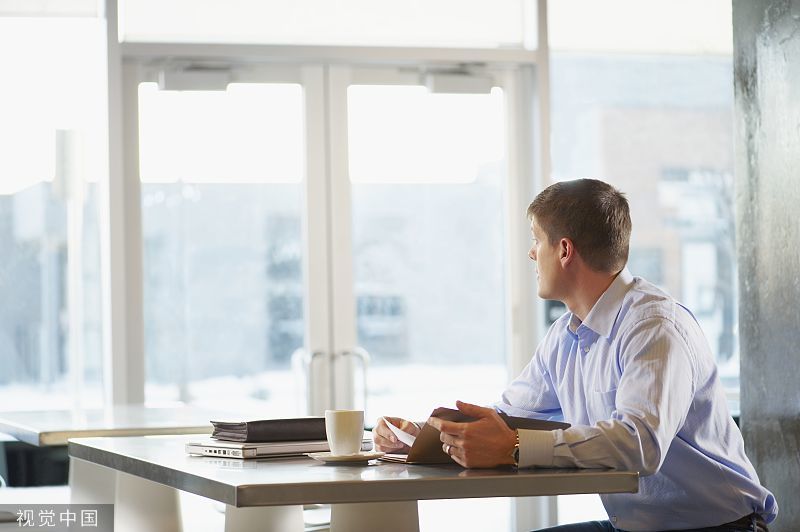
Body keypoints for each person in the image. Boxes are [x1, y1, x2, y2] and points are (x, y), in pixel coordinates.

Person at [373, 179, 777, 532]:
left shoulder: (654, 326)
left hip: (719, 528)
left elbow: (639, 445)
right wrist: (424, 435)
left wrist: (514, 446)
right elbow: (509, 414)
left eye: (535, 239)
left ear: (564, 250)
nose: (532, 254)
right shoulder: (564, 335)